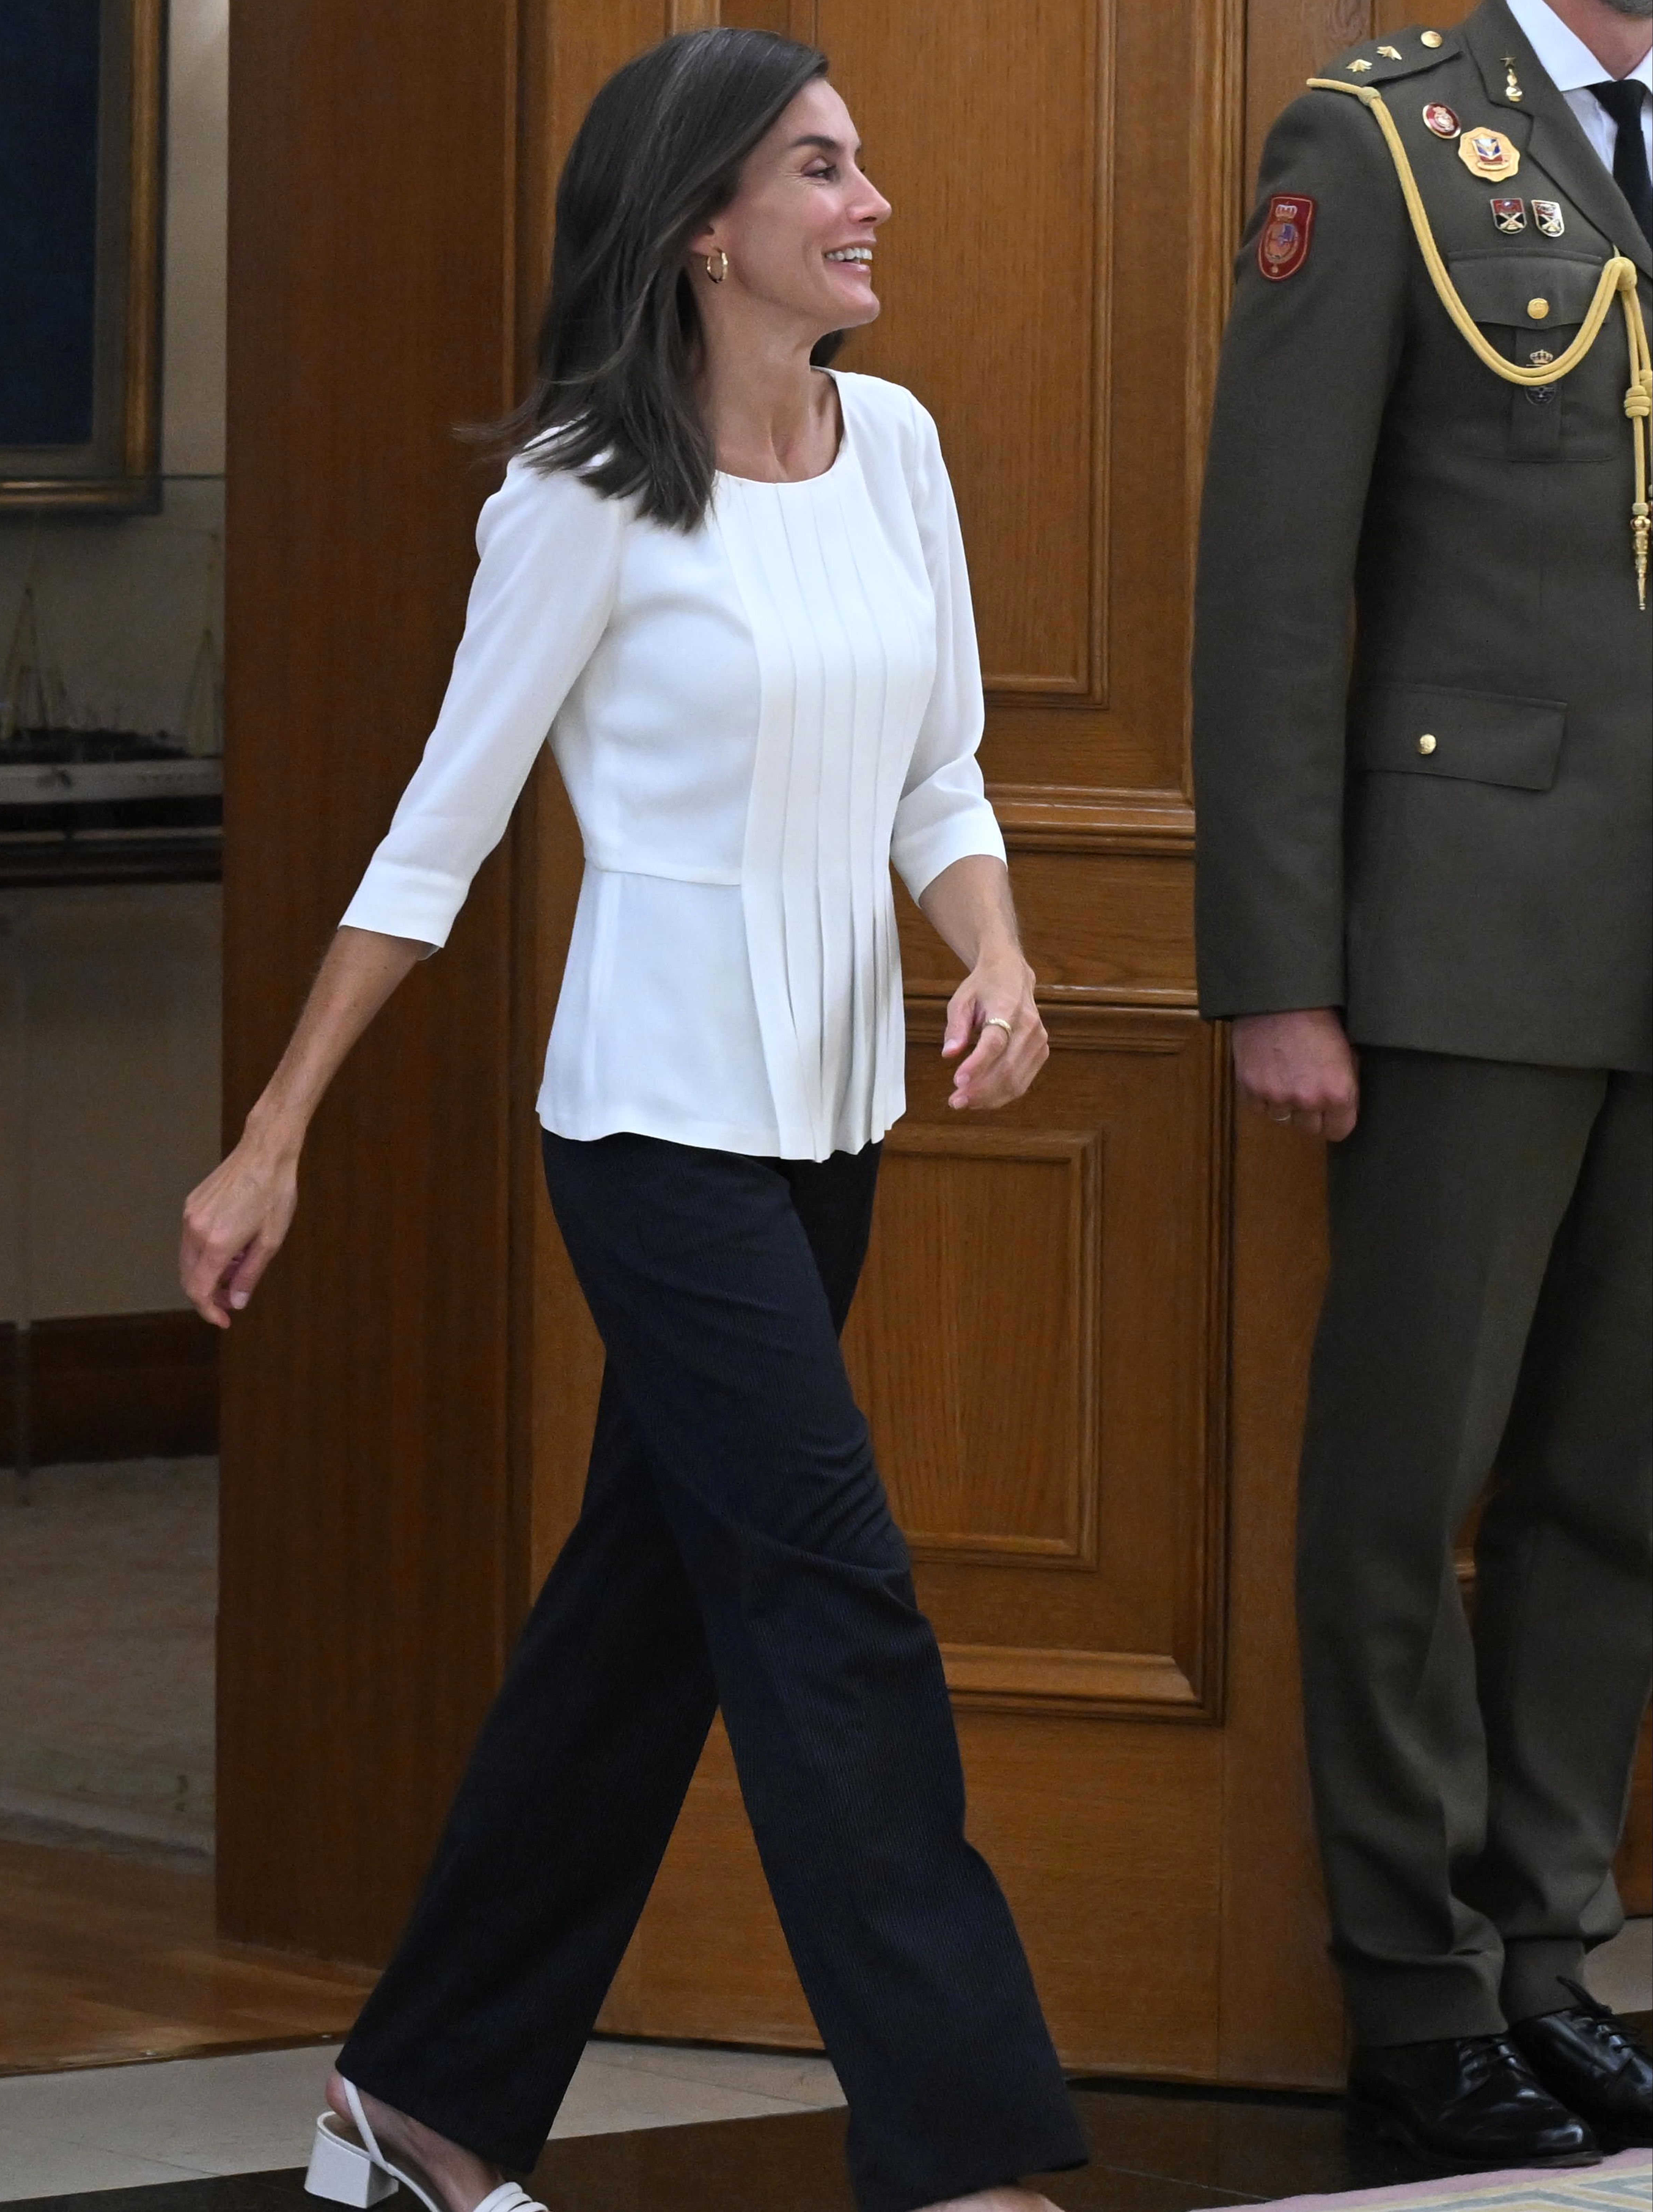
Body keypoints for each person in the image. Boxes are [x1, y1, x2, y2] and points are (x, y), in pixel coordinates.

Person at [180, 29, 1086, 2212]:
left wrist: (1003, 949)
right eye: (822, 168)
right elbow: (442, 829)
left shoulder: (906, 451)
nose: (871, 199)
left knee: (642, 1621)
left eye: (863, 163)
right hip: (658, 1135)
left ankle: (413, 2114)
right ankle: (965, 2157)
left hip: (831, 1123)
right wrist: (276, 1126)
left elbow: (940, 777)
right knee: (829, 1594)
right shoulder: (583, 487)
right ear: (707, 227)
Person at [1192, 0, 1653, 2176]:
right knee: (1407, 1489)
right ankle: (1413, 1990)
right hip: (1466, 932)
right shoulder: (1377, 142)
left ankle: (1554, 1954)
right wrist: (1282, 971)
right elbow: (1275, 590)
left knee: (1613, 1488)